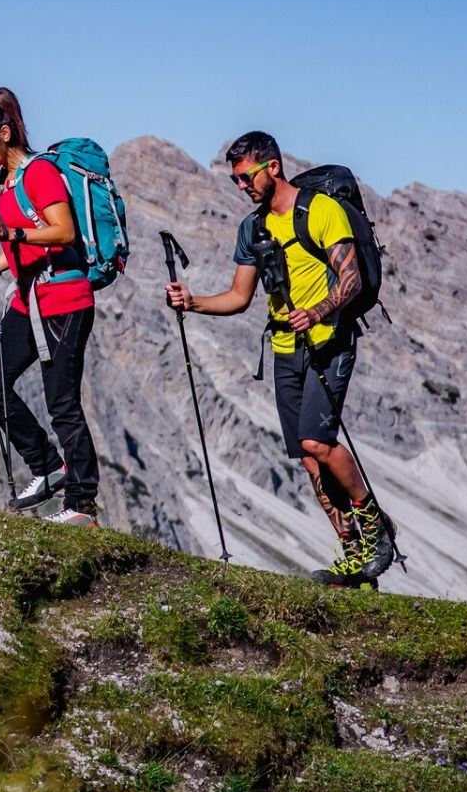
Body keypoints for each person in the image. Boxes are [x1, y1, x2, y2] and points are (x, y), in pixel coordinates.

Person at [162, 130, 395, 585]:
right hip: (285, 348)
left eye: (246, 176)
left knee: (317, 443)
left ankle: (374, 525)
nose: (241, 186)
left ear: (272, 167)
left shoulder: (320, 210)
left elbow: (352, 279)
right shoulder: (252, 228)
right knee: (309, 462)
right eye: (235, 180)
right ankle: (353, 559)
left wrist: (319, 311)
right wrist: (192, 302)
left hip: (329, 341)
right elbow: (238, 296)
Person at [0, 88, 103, 527]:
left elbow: (63, 233)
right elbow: (20, 248)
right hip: (29, 297)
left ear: (4, 132)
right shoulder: (6, 184)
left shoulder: (40, 174)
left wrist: (11, 235)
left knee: (62, 403)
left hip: (66, 300)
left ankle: (82, 506)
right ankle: (49, 466)